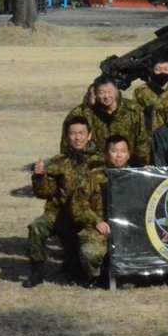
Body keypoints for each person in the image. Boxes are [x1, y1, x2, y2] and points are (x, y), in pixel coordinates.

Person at [25, 117, 104, 287]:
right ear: (67, 137)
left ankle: (90, 274)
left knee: (83, 261)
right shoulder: (58, 162)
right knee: (36, 227)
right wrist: (40, 177)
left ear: (89, 136)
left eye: (81, 133)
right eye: (73, 134)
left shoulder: (101, 160)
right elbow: (45, 192)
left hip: (89, 216)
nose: (77, 138)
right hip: (59, 214)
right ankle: (37, 270)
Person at [71, 135, 132, 285]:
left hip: (128, 230)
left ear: (129, 154)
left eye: (123, 151)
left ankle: (130, 277)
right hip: (100, 228)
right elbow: (77, 205)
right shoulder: (93, 177)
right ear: (106, 154)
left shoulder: (135, 176)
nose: (118, 155)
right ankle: (96, 278)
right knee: (90, 252)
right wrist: (97, 222)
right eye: (114, 151)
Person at [63, 75, 151, 166]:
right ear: (95, 93)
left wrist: (141, 165)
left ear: (116, 91)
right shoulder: (83, 113)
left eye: (109, 92)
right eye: (101, 92)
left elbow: (143, 141)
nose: (106, 96)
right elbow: (68, 143)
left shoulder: (133, 110)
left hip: (128, 167)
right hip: (93, 169)